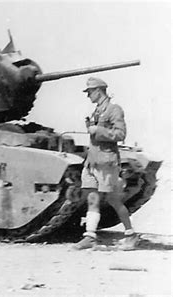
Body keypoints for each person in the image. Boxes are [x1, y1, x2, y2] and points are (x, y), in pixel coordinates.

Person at [73, 77, 138, 250]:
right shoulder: (97, 111)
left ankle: (131, 234)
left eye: (90, 92)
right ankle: (90, 236)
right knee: (92, 199)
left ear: (99, 91)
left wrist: (98, 130)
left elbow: (120, 134)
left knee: (113, 199)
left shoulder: (114, 109)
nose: (88, 96)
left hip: (106, 161)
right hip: (92, 161)